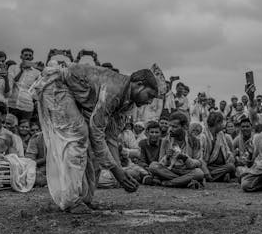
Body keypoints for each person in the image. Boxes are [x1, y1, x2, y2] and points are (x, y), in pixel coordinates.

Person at [32, 62, 166, 213]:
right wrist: (117, 172)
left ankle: (85, 199)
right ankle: (72, 201)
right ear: (139, 84)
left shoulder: (129, 103)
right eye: (150, 96)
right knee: (78, 135)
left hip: (76, 97)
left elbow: (110, 136)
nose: (149, 102)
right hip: (56, 87)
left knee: (92, 149)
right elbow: (97, 133)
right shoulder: (114, 90)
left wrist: (118, 170)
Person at [148, 112, 204, 189]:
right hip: (171, 171)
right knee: (153, 166)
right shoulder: (166, 140)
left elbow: (198, 162)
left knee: (199, 173)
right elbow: (160, 162)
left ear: (184, 127)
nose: (170, 129)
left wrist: (185, 158)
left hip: (187, 171)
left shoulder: (194, 141)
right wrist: (167, 157)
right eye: (170, 126)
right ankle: (184, 182)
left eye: (174, 127)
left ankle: (170, 183)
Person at [8, 48, 40, 121]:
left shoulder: (37, 72)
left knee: (24, 129)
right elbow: (11, 82)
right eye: (25, 55)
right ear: (21, 56)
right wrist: (21, 71)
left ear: (32, 58)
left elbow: (37, 89)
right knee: (10, 127)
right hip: (12, 104)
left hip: (27, 106)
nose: (28, 57)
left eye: (30, 55)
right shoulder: (13, 67)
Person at [202, 112, 235, 182]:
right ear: (217, 123)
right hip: (208, 166)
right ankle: (209, 176)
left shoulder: (220, 134)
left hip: (220, 167)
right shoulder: (204, 136)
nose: (223, 125)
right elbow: (200, 158)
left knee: (231, 166)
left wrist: (230, 158)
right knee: (231, 167)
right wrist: (206, 171)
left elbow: (227, 151)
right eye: (221, 123)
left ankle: (217, 176)